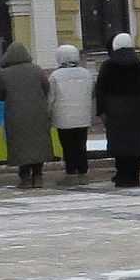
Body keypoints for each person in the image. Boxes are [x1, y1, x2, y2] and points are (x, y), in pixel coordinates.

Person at [0, 40, 54, 188]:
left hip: (15, 115)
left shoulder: (4, 74)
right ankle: (38, 176)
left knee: (21, 146)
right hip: (38, 113)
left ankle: (25, 178)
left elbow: (0, 94)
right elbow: (46, 88)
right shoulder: (37, 70)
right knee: (37, 145)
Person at [97, 35, 140, 189]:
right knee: (135, 143)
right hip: (136, 110)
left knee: (119, 144)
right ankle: (134, 177)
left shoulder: (108, 66)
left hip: (115, 110)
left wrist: (102, 111)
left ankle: (122, 176)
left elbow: (100, 90)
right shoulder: (139, 66)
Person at [50, 45, 95, 183]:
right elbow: (92, 94)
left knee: (67, 145)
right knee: (81, 144)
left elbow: (51, 97)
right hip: (83, 116)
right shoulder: (86, 73)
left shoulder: (55, 76)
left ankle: (70, 170)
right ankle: (83, 169)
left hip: (63, 118)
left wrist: (48, 113)